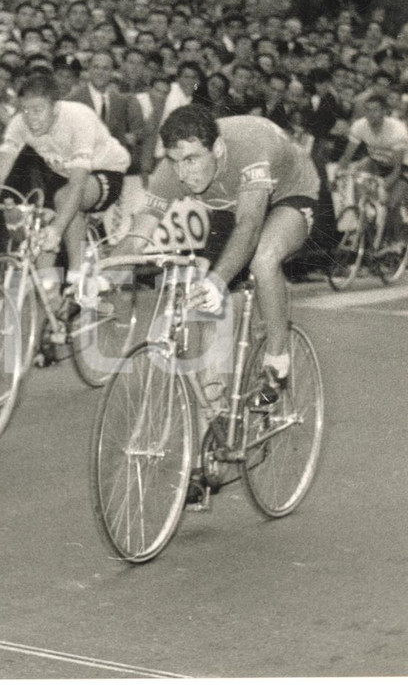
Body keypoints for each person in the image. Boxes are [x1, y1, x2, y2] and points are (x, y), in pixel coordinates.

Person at [113, 105, 320, 460]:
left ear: (218, 149)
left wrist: (216, 281)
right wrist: (101, 274)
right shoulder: (172, 169)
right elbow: (139, 234)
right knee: (206, 314)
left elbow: (250, 226)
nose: (184, 172)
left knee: (262, 258)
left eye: (193, 159)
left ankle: (277, 362)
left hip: (288, 192)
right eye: (177, 161)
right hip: (230, 207)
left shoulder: (250, 150)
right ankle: (214, 432)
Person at [0, 72, 130, 301]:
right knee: (42, 231)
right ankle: (53, 302)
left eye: (38, 111)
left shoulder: (78, 118)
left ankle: (78, 273)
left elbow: (77, 185)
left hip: (104, 170)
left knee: (64, 201)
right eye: (25, 110)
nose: (30, 118)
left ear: (55, 107)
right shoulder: (19, 123)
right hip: (61, 172)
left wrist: (57, 230)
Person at [337, 94, 408, 249]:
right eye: (368, 110)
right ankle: (366, 241)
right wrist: (338, 174)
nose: (371, 114)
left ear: (384, 112)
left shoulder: (397, 130)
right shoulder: (359, 126)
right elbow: (346, 156)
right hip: (377, 162)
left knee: (389, 203)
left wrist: (384, 186)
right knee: (363, 197)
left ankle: (398, 242)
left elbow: (397, 169)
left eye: (376, 110)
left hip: (402, 166)